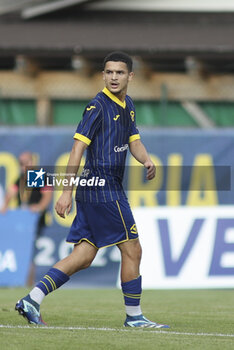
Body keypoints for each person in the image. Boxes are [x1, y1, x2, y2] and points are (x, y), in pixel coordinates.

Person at [15, 52, 169, 328]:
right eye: (109, 72)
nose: (113, 77)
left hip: (101, 189)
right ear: (103, 75)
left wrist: (145, 158)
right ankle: (134, 317)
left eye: (119, 73)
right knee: (132, 249)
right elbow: (77, 148)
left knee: (84, 256)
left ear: (130, 76)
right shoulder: (97, 106)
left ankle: (32, 299)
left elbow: (133, 140)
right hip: (103, 188)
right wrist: (65, 192)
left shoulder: (127, 105)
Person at [1, 151, 53, 285]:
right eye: (20, 163)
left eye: (24, 163)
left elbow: (47, 195)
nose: (22, 166)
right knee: (22, 250)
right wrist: (4, 206)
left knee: (29, 251)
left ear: (31, 162)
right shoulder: (21, 179)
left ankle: (28, 282)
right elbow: (11, 192)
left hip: (34, 220)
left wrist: (39, 207)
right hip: (22, 221)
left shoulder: (37, 175)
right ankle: (20, 280)